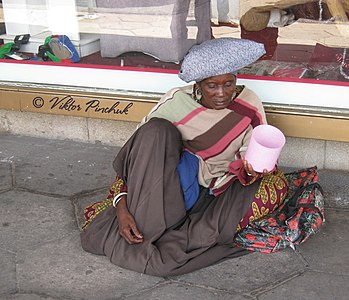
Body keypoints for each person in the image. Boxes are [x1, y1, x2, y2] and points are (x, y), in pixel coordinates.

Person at [80, 38, 288, 276]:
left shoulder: (248, 104)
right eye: (212, 86)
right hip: (172, 182)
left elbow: (252, 151)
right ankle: (155, 223)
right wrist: (121, 210)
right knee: (155, 131)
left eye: (228, 84)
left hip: (219, 187)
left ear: (236, 80)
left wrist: (249, 169)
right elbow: (138, 157)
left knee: (273, 187)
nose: (222, 94)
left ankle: (166, 227)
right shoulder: (176, 101)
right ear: (198, 84)